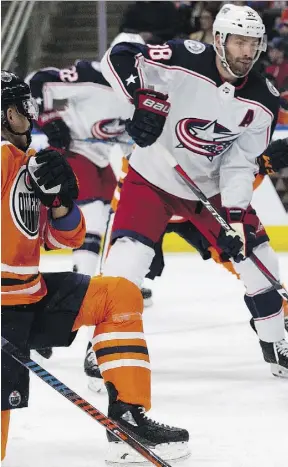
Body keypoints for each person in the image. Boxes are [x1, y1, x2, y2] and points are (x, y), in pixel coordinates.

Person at [100, 4, 288, 379]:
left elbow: (239, 163)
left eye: (254, 44)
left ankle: (274, 341)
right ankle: (103, 345)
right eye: (239, 42)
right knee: (126, 263)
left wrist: (233, 217)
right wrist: (140, 103)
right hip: (152, 178)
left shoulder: (263, 98)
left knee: (260, 258)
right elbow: (117, 56)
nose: (247, 52)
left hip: (210, 189)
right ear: (219, 40)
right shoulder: (184, 57)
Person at [0, 71, 189, 464]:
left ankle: (127, 417)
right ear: (7, 113)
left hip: (29, 298)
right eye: (22, 107)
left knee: (117, 294)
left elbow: (62, 239)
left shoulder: (30, 162)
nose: (30, 113)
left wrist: (62, 203)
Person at [26, 33, 143, 281]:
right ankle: (84, 283)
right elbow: (39, 82)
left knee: (118, 216)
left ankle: (112, 280)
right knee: (94, 214)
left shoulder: (142, 93)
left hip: (100, 159)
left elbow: (128, 140)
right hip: (73, 152)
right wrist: (50, 120)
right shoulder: (92, 76)